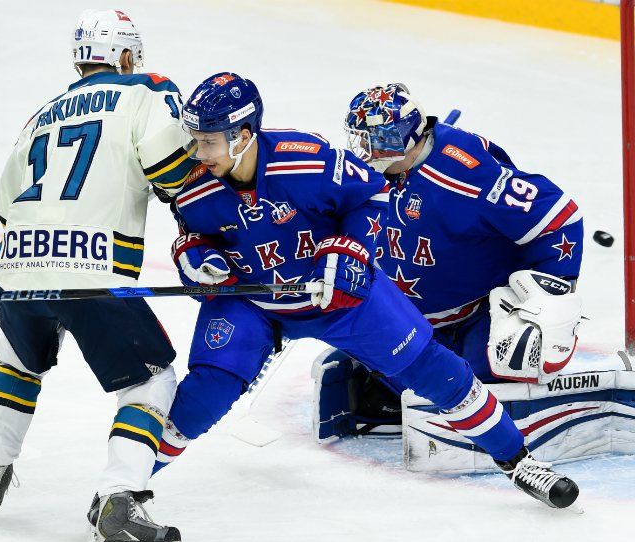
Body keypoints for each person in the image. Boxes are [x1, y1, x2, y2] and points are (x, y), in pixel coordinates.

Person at [153, 72, 580, 509]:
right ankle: (126, 485)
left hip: (341, 297)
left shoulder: (306, 160)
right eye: (195, 140)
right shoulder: (192, 185)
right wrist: (194, 257)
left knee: (438, 371)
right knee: (205, 393)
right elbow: (193, 233)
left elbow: (372, 193)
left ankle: (519, 461)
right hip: (255, 304)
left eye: (208, 142)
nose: (197, 153)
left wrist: (349, 252)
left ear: (243, 135)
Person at [312, 84, 635, 473]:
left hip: (478, 315)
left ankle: (520, 397)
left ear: (402, 136)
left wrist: (547, 297)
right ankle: (390, 389)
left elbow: (559, 217)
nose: (364, 152)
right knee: (359, 327)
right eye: (360, 139)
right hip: (415, 316)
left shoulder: (464, 176)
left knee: (488, 373)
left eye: (374, 140)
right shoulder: (370, 174)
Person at [0, 10, 193, 542]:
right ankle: (119, 500)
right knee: (151, 382)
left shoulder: (39, 115)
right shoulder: (148, 92)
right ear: (126, 55)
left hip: (15, 265)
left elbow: (6, 207)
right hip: (92, 270)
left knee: (17, 361)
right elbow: (174, 175)